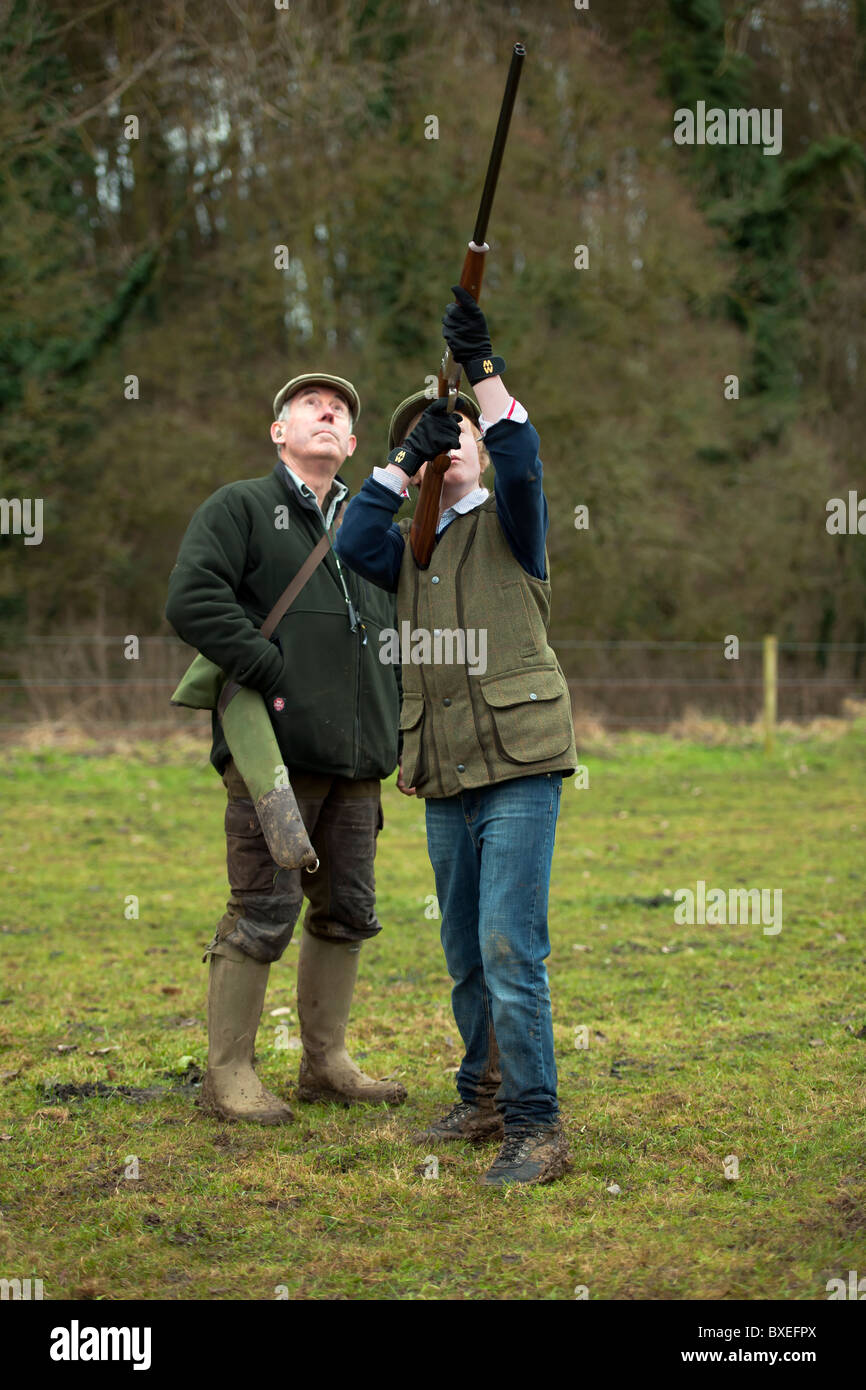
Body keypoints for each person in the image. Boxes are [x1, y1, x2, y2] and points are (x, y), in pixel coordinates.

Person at [334, 289, 577, 1185]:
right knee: (464, 953)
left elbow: (522, 450)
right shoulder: (406, 546)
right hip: (441, 771)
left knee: (513, 948)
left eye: (458, 434)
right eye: (437, 438)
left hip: (519, 767)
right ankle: (481, 1094)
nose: (451, 446)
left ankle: (537, 1126)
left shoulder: (516, 519)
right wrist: (402, 464)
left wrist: (481, 368)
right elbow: (352, 535)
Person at [165, 374, 406, 1124]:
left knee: (348, 912)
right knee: (262, 910)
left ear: (356, 446)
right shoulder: (240, 506)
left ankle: (325, 1065)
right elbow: (191, 598)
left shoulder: (373, 529)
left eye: (340, 412)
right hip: (272, 752)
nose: (328, 412)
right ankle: (228, 1074)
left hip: (359, 759)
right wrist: (265, 665)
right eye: (310, 405)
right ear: (278, 432)